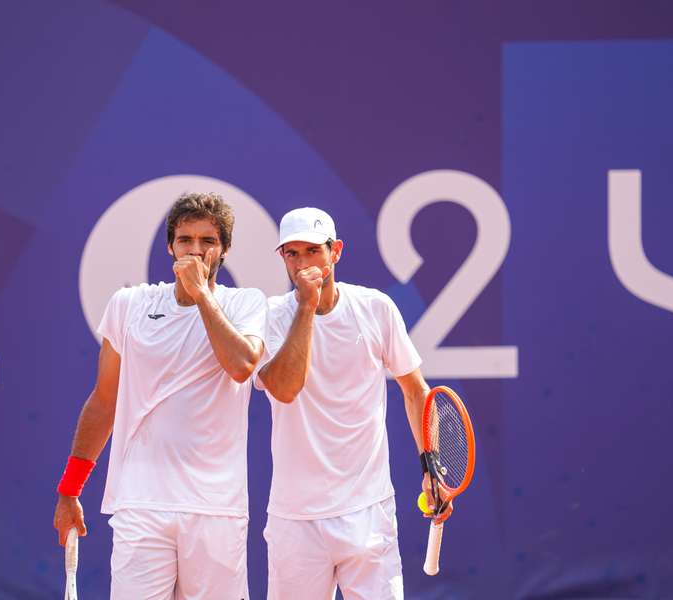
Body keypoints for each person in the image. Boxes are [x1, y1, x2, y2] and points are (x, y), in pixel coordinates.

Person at [53, 192, 267, 600]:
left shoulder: (246, 304)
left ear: (224, 249)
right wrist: (70, 488)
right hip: (141, 503)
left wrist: (202, 295)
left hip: (216, 508)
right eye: (185, 240)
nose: (196, 250)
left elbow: (242, 366)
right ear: (170, 246)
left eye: (208, 241)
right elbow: (104, 400)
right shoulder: (129, 305)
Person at [255, 207, 453, 600]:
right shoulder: (270, 317)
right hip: (295, 520)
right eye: (291, 254)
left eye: (312, 251)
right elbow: (282, 388)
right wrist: (307, 308)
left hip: (369, 512)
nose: (302, 263)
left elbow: (415, 391)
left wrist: (430, 465)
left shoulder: (376, 309)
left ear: (336, 252)